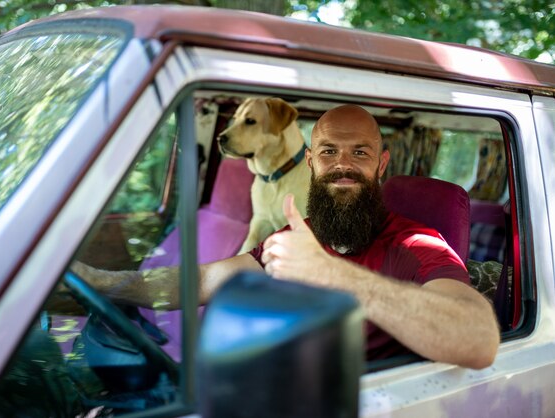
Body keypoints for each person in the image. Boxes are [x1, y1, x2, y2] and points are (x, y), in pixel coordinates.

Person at [73, 104, 500, 369]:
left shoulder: (414, 243)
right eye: (330, 151)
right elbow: (204, 281)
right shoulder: (302, 235)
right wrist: (103, 283)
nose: (343, 165)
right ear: (311, 162)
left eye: (361, 153)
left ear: (381, 164)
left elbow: (477, 339)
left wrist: (334, 275)